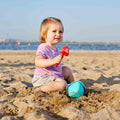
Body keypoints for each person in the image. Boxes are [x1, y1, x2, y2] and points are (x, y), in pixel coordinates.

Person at [32, 17, 74, 93]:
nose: (58, 34)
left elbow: (56, 67)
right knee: (62, 84)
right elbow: (38, 62)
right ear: (44, 34)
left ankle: (73, 87)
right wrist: (53, 61)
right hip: (43, 78)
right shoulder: (43, 47)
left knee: (67, 70)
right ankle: (40, 89)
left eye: (60, 32)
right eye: (54, 31)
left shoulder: (56, 50)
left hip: (54, 75)